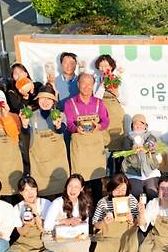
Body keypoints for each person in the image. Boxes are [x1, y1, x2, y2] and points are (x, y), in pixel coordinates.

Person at [64, 73, 110, 202]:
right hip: (80, 149)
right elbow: (68, 123)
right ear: (78, 84)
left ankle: (97, 209)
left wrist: (99, 126)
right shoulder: (70, 103)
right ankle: (81, 210)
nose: (86, 87)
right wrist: (75, 128)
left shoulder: (99, 103)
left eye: (90, 84)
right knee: (80, 181)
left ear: (93, 85)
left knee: (96, 182)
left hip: (95, 147)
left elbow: (106, 121)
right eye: (83, 83)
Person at [1, 176, 60, 252]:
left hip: (43, 243)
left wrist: (36, 214)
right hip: (24, 244)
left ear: (37, 189)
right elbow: (21, 233)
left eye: (32, 189)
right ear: (20, 192)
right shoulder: (17, 208)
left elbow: (46, 230)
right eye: (26, 190)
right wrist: (28, 225)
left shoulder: (46, 203)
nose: (30, 193)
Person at [20, 85, 69, 197]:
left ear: (53, 101)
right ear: (37, 100)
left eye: (49, 99)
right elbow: (25, 133)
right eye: (42, 98)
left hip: (58, 165)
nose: (45, 101)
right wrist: (24, 124)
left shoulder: (60, 115)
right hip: (39, 167)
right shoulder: (31, 116)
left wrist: (57, 125)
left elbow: (62, 129)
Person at [90, 173, 141, 252]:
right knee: (106, 247)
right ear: (110, 189)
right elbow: (95, 224)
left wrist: (132, 219)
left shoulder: (131, 200)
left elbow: (138, 222)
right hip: (109, 234)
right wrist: (104, 221)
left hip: (126, 233)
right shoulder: (103, 202)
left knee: (130, 247)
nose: (120, 193)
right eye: (116, 189)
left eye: (123, 190)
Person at [43, 174, 92, 252]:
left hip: (75, 234)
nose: (73, 189)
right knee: (73, 247)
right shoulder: (58, 202)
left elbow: (86, 223)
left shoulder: (84, 203)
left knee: (86, 242)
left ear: (81, 188)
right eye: (70, 186)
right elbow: (47, 226)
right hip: (54, 235)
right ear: (66, 187)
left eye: (76, 187)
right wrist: (65, 221)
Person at [94, 55, 126, 174]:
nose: (103, 68)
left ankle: (118, 177)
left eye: (106, 65)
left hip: (117, 120)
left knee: (118, 152)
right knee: (105, 151)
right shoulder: (96, 80)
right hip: (103, 120)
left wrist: (116, 93)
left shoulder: (119, 79)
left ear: (112, 66)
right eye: (101, 66)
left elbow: (126, 101)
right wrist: (102, 85)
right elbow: (95, 100)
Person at [122, 114, 162, 200]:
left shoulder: (150, 137)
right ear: (132, 126)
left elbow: (152, 146)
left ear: (145, 126)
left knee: (152, 192)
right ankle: (137, 212)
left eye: (141, 124)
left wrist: (148, 149)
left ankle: (152, 210)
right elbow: (125, 151)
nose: (138, 126)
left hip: (150, 171)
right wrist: (132, 150)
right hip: (133, 172)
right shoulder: (127, 138)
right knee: (136, 193)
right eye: (135, 124)